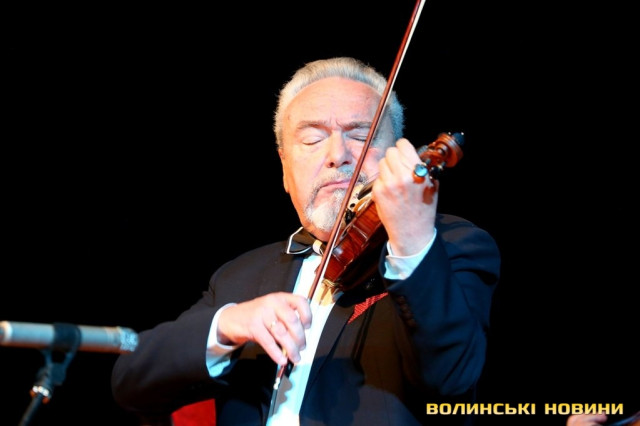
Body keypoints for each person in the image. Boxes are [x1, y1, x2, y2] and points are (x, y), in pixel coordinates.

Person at [111, 56, 501, 426]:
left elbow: (452, 380)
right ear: (285, 168)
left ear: (396, 155)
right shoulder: (240, 276)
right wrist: (229, 324)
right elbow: (130, 382)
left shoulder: (452, 245)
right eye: (313, 139)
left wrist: (412, 240)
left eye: (361, 135)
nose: (338, 155)